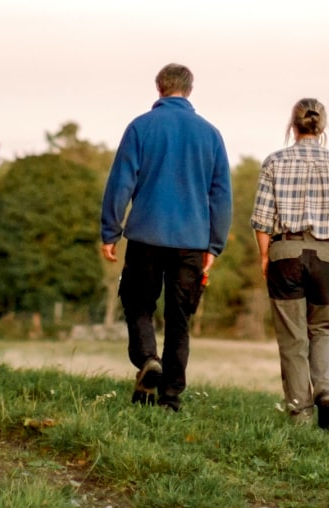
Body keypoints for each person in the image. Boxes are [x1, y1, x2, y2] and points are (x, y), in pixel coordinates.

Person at [100, 63, 232, 412]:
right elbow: (220, 195)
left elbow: (121, 182)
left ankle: (147, 359)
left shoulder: (141, 127)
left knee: (138, 302)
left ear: (159, 88)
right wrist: (215, 245)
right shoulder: (211, 134)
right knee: (179, 318)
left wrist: (110, 230)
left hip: (146, 235)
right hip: (192, 241)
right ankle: (170, 398)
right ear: (189, 90)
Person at [250, 98, 329, 429]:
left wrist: (264, 256)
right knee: (322, 330)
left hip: (285, 253)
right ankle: (326, 394)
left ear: (293, 124)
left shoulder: (274, 162)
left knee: (293, 338)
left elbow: (261, 221)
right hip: (327, 255)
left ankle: (301, 414)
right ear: (322, 126)